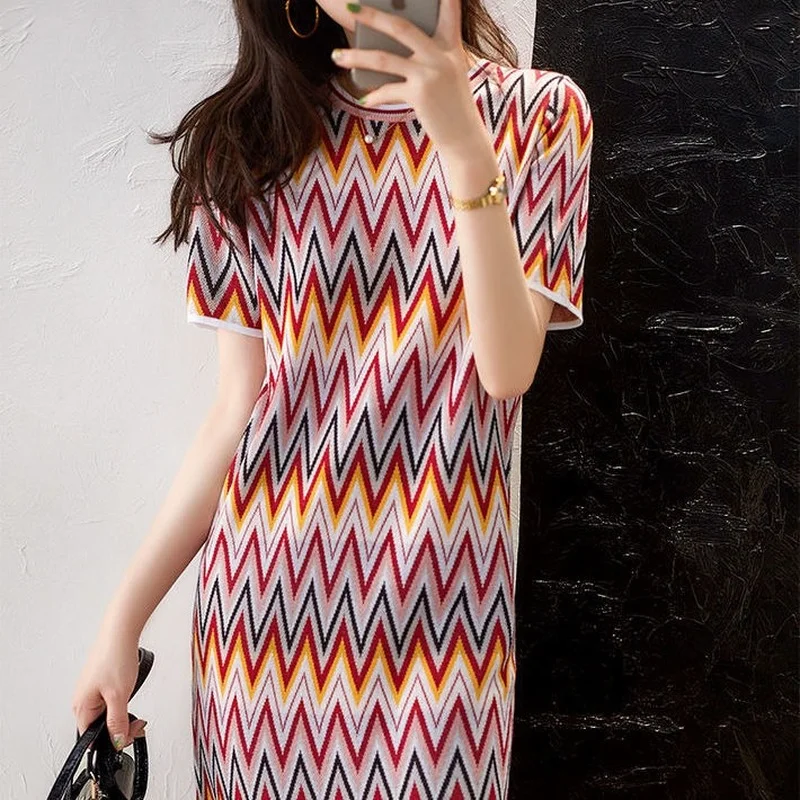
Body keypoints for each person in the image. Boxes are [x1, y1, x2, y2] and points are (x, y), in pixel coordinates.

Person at [71, 0, 593, 796]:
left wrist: (462, 145)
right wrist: (123, 619)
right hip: (263, 631)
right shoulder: (251, 141)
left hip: (443, 624)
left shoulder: (543, 115)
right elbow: (237, 411)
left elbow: (507, 369)